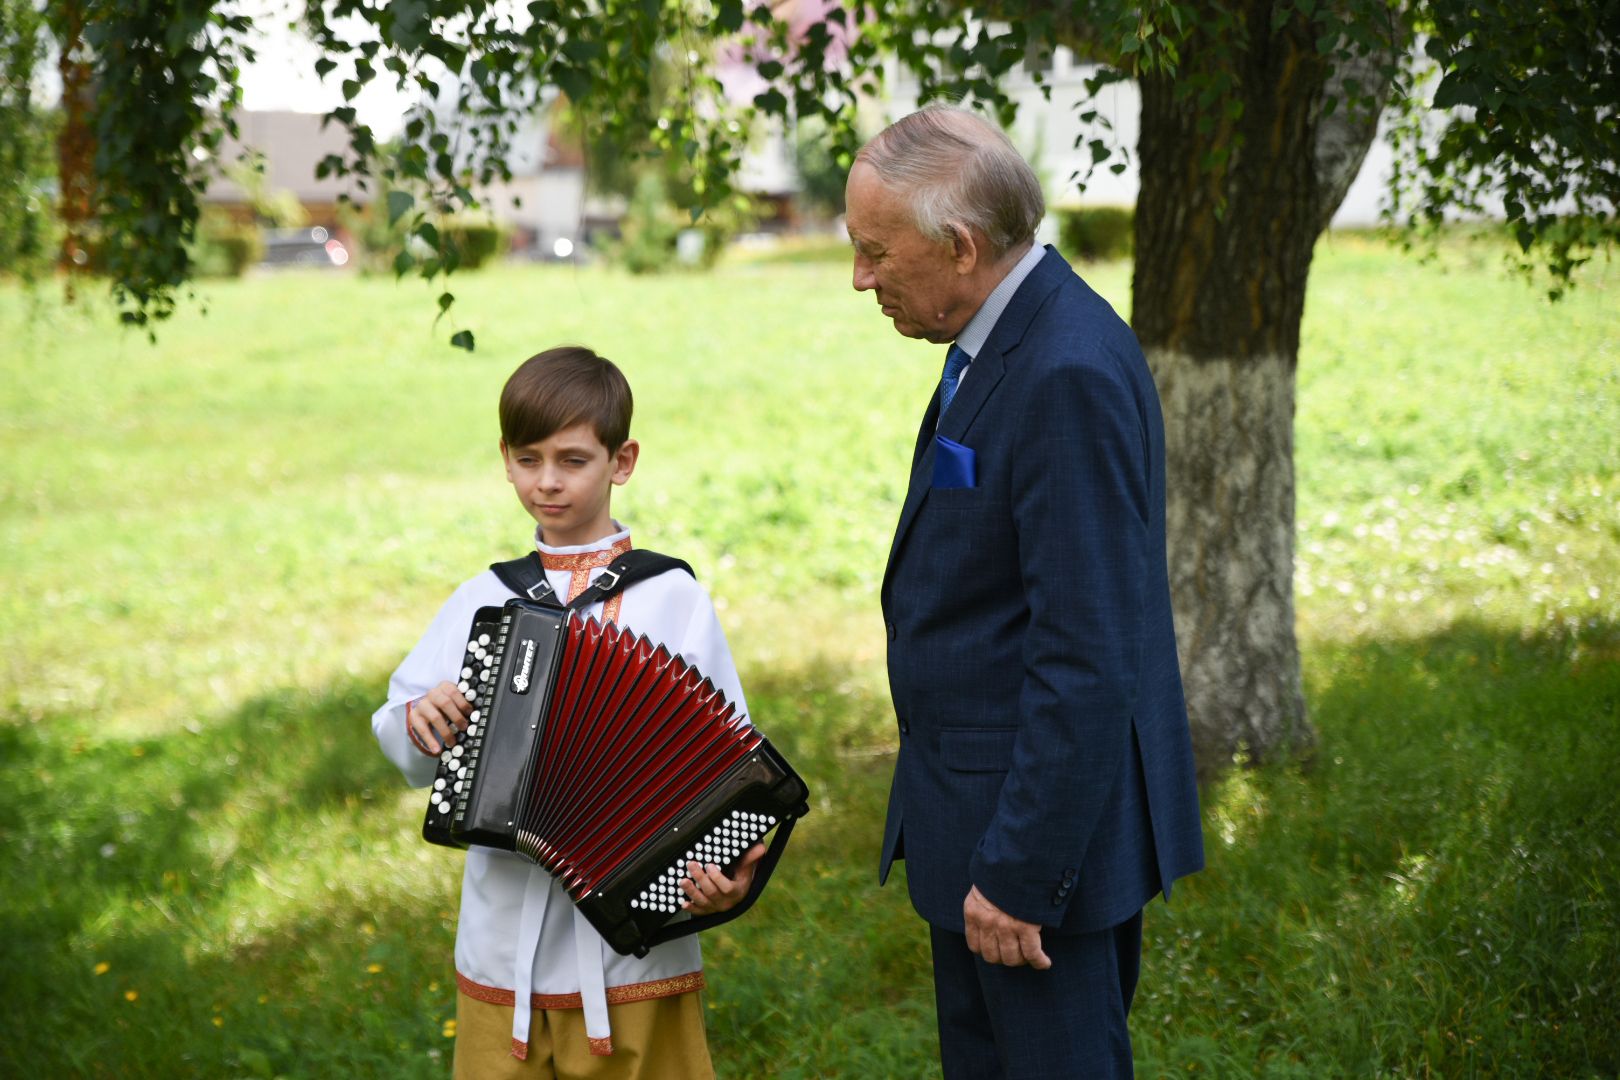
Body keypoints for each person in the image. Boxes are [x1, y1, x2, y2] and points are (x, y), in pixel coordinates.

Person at [846, 105, 1206, 1078]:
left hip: (1030, 862)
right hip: (981, 828)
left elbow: (1086, 654)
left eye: (876, 252)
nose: (860, 278)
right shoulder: (1004, 337)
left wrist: (1015, 871)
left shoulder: (1062, 372)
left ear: (960, 247)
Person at [371, 346, 764, 1080]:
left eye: (573, 460)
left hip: (634, 951)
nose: (546, 481)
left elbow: (731, 769)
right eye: (527, 459)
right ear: (505, 458)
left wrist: (728, 872)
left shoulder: (671, 598)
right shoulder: (483, 599)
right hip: (501, 945)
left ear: (623, 461)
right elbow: (402, 740)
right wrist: (421, 719)